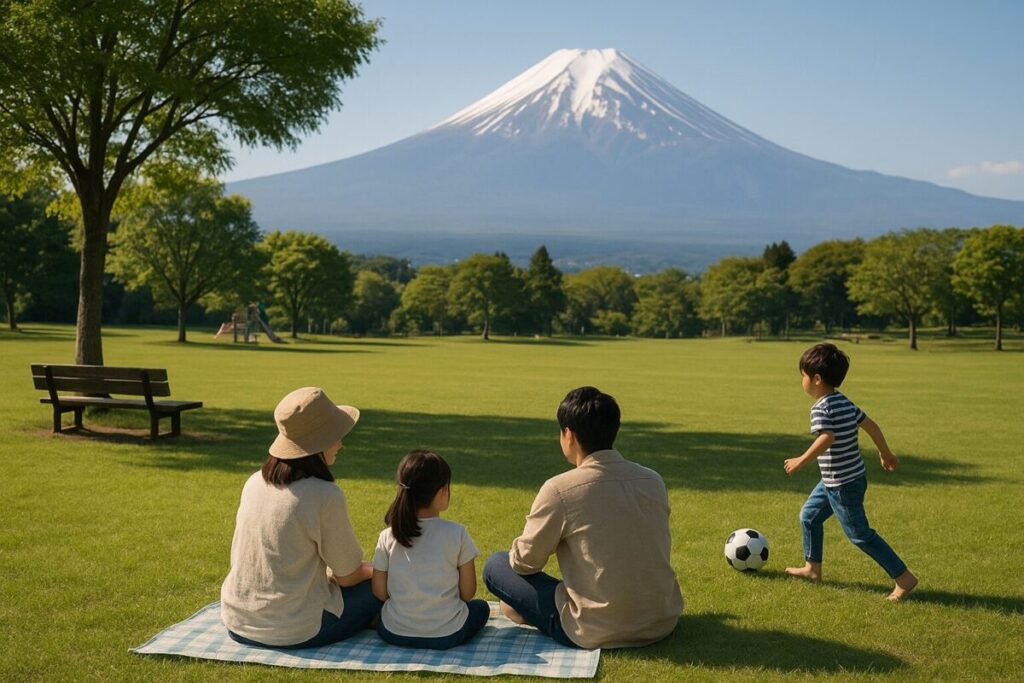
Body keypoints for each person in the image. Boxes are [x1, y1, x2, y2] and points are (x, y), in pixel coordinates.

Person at [483, 386, 683, 650]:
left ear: (569, 434)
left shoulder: (560, 489)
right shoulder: (652, 480)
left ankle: (533, 613)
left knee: (497, 565)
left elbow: (524, 564)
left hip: (595, 628)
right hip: (661, 619)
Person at [220, 387, 381, 648]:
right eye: (336, 435)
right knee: (382, 587)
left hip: (238, 621)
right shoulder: (324, 495)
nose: (341, 443)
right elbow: (349, 576)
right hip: (296, 628)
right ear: (320, 442)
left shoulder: (254, 482)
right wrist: (384, 571)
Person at [783, 343, 918, 601]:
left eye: (803, 375)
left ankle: (904, 578)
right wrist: (885, 453)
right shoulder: (843, 401)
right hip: (843, 478)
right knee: (809, 516)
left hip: (843, 484)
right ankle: (812, 569)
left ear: (817, 379)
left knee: (860, 535)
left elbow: (827, 437)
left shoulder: (820, 407)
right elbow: (871, 425)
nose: (802, 381)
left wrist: (801, 460)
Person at [372, 450, 489, 649]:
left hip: (394, 632)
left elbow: (379, 592)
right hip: (448, 633)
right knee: (481, 608)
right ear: (443, 491)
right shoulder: (457, 533)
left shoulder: (387, 535)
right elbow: (467, 593)